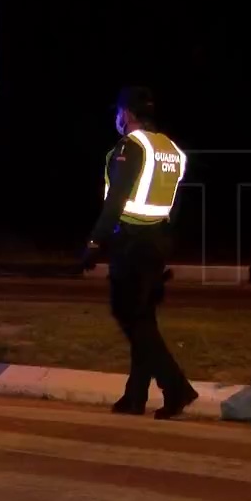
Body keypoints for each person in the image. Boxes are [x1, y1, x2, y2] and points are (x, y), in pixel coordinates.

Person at [81, 86, 199, 419]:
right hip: (159, 240)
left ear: (128, 114)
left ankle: (175, 387)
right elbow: (175, 204)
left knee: (129, 316)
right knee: (143, 319)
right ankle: (134, 397)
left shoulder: (130, 147)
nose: (117, 118)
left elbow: (116, 198)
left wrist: (94, 242)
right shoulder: (172, 149)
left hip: (131, 242)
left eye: (118, 112)